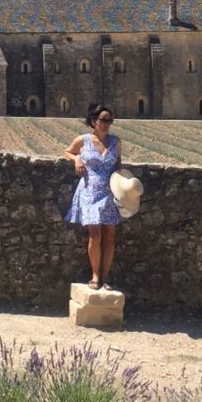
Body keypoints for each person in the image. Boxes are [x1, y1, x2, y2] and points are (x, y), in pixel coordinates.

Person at [63, 104, 122, 290]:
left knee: (110, 236)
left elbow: (118, 164)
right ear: (93, 121)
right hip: (89, 191)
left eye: (109, 120)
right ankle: (95, 275)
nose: (106, 124)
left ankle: (106, 277)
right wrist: (77, 159)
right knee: (95, 235)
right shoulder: (83, 140)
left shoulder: (116, 141)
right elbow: (67, 151)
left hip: (110, 192)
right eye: (103, 120)